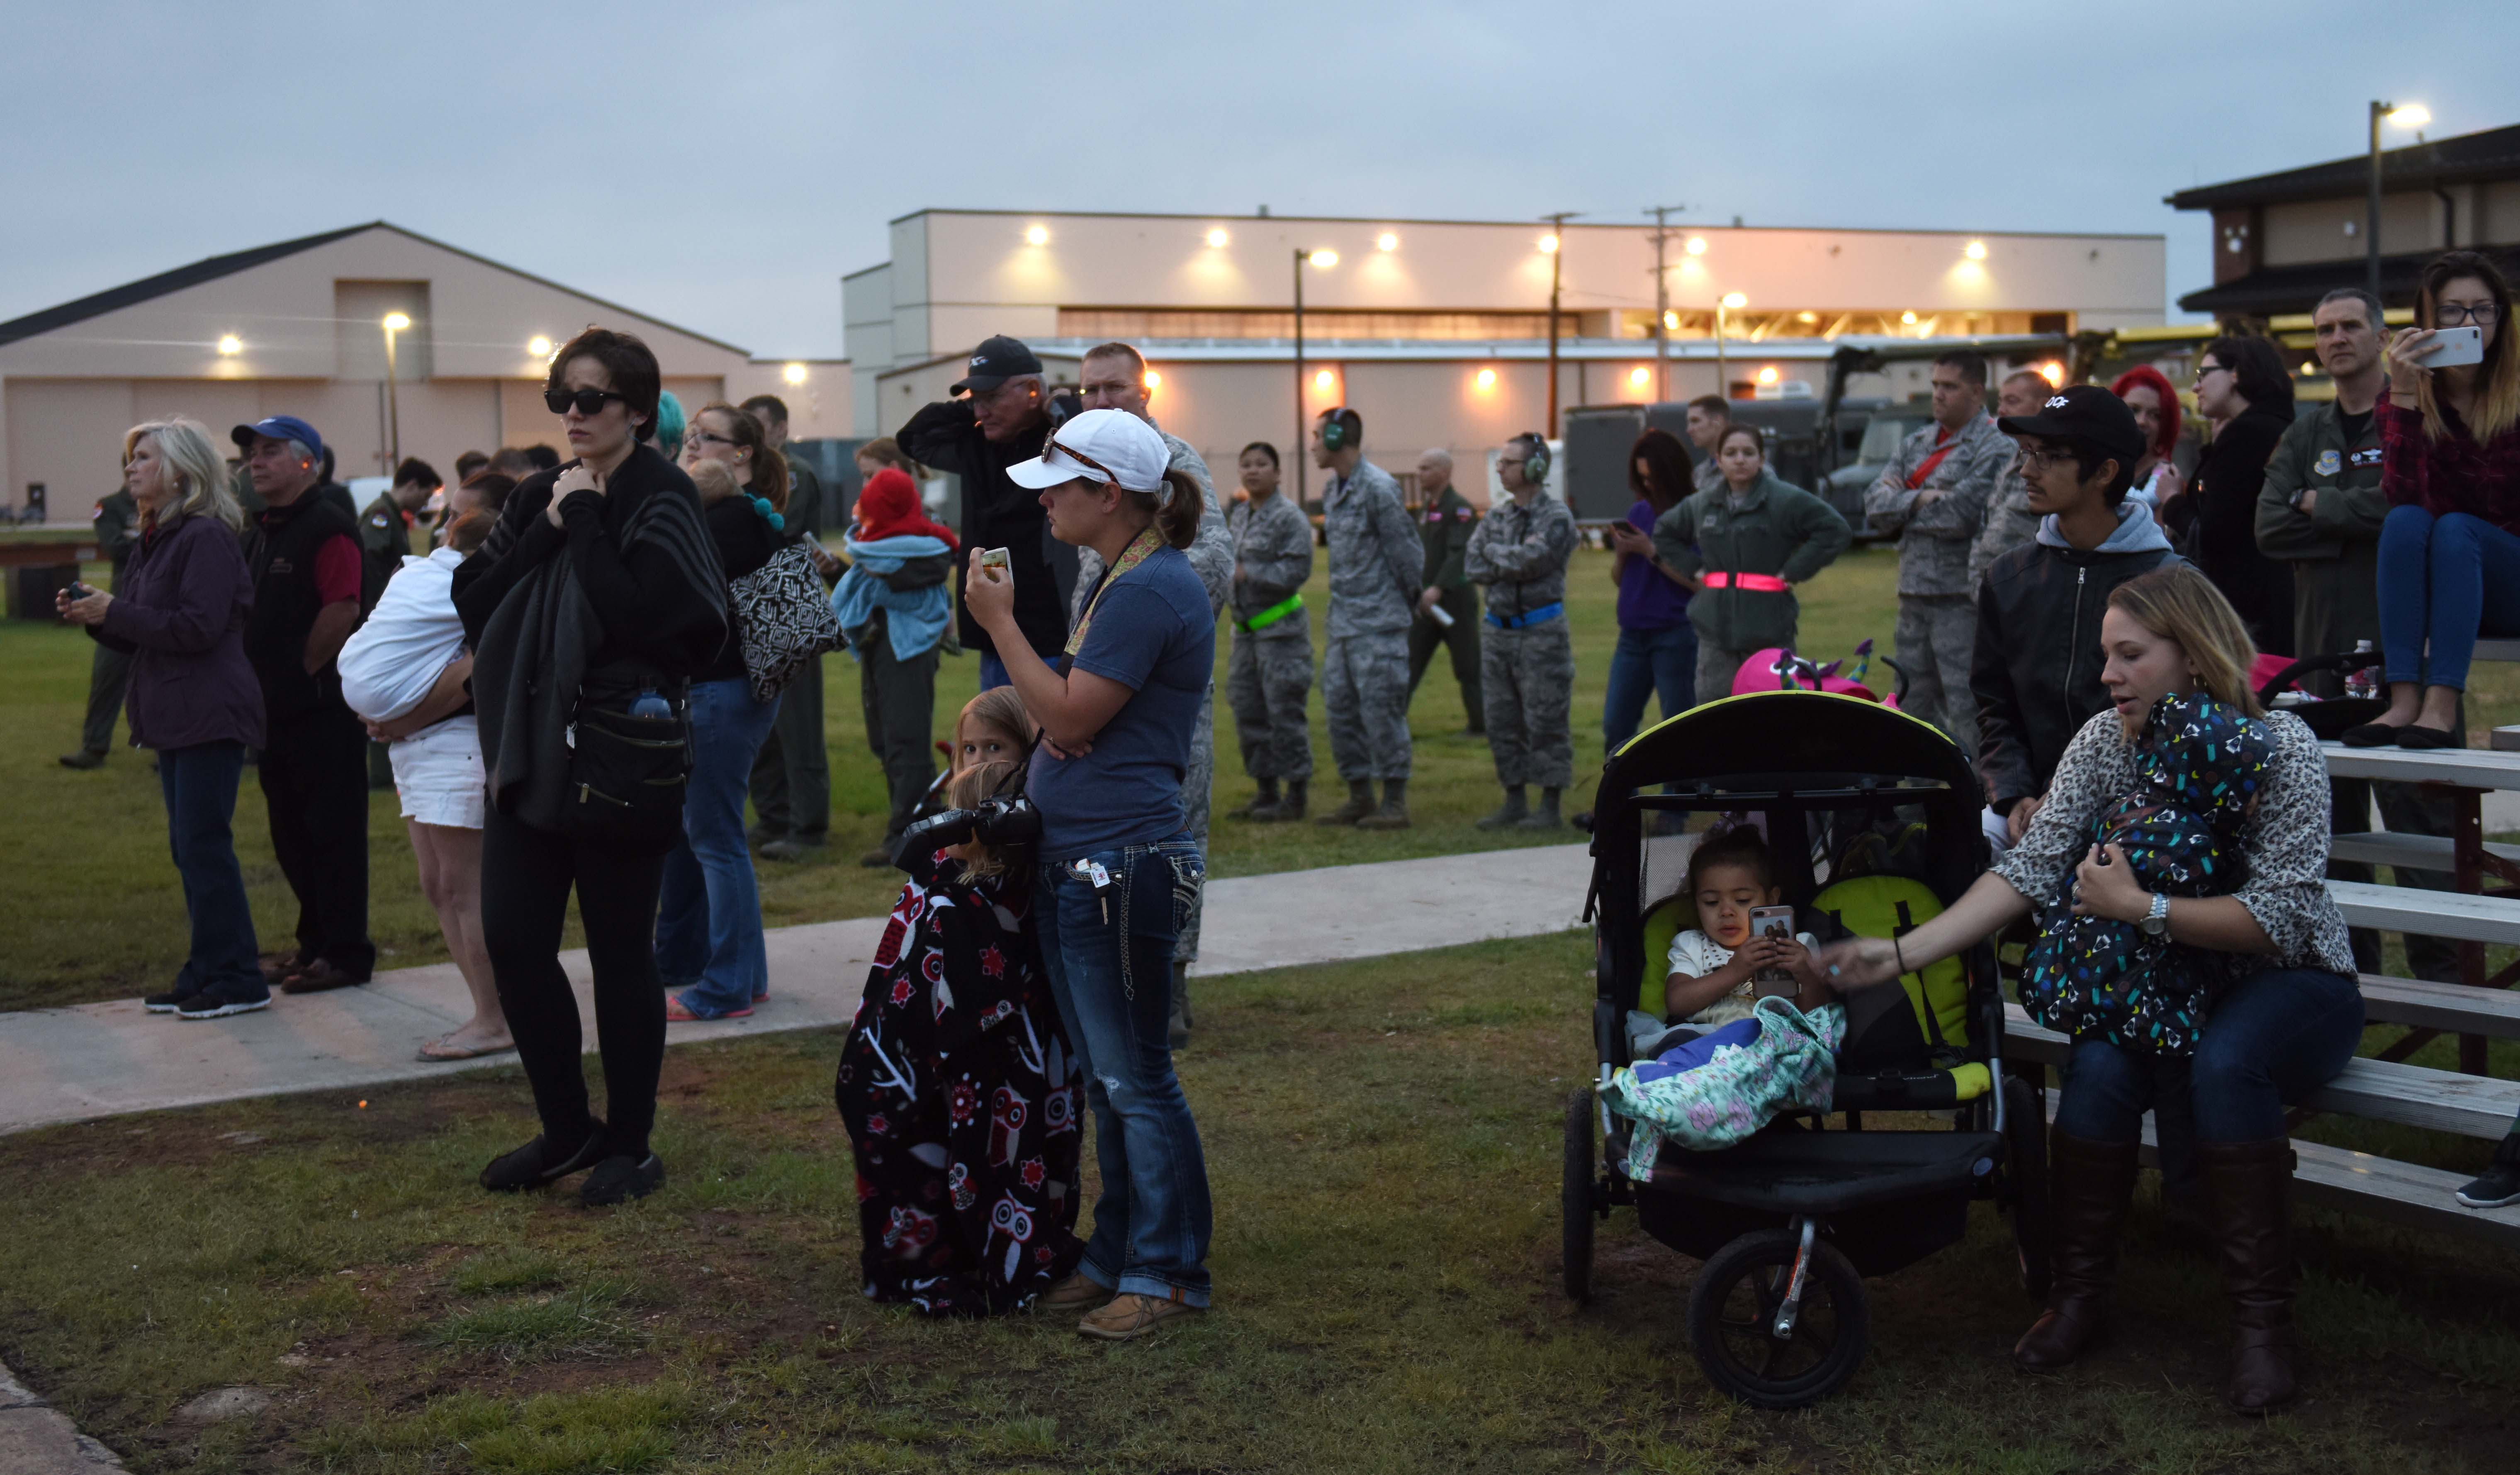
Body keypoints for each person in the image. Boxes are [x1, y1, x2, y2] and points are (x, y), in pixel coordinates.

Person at [1826, 565, 2360, 1413]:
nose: (2105, 674)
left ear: (2190, 655)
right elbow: (2030, 870)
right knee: (2102, 1066)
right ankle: (2077, 1297)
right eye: (2105, 655)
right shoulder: (2103, 741)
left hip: (2287, 980)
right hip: (2158, 980)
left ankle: (2262, 1326)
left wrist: (2140, 908)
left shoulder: (2278, 746)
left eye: (2128, 655)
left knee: (2226, 1060)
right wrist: (1897, 954)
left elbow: (2280, 919)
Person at [453, 327, 730, 1207]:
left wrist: (582, 520)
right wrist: (547, 522)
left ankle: (633, 1141)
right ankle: (568, 1126)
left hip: (623, 754)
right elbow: (472, 598)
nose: (572, 413)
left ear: (638, 410)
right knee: (515, 939)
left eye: (591, 398)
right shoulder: (540, 490)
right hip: (531, 750)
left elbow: (652, 620)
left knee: (620, 953)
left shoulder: (662, 494)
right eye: (560, 398)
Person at [963, 407, 1214, 1340]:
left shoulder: (1148, 589)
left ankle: (1169, 1269)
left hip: (1126, 862)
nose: (1047, 504)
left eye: (1058, 487)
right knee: (1112, 1080)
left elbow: (1068, 718)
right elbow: (1067, 707)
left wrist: (997, 622)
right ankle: (1119, 1254)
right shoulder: (1121, 576)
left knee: (1137, 1077)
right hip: (1094, 858)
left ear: (1106, 492)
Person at [834, 689, 1084, 1316]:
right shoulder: (941, 874)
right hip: (909, 1059)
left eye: (995, 748)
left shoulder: (1035, 874)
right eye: (967, 749)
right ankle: (938, 1254)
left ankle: (993, 1251)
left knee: (991, 1136)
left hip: (994, 1057)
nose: (976, 765)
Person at [2258, 288, 2461, 985]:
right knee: (2335, 832)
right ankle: (2350, 978)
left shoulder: (2415, 416)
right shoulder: (2303, 434)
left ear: (2380, 337)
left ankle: (2447, 975)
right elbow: (2269, 526)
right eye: (2324, 329)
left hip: (2407, 655)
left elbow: (2423, 507)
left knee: (2422, 827)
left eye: (2350, 326)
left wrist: (2326, 510)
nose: (2337, 337)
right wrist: (2363, 517)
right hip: (2325, 658)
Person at [58, 419, 268, 1019]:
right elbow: (150, 632)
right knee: (190, 848)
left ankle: (237, 979)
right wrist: (99, 617)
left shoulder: (203, 536)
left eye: (144, 457)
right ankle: (205, 970)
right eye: (131, 457)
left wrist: (116, 609)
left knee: (204, 846)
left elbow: (197, 628)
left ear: (181, 469)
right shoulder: (159, 537)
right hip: (177, 710)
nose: (130, 468)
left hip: (208, 709)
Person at [1069, 342, 1233, 1044]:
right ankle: (1115, 975)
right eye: (1089, 391)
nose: (1102, 402)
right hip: (1100, 685)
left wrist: (1132, 634)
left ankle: (1169, 982)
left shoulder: (1171, 465)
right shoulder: (1086, 470)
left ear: (1145, 394)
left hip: (1163, 694)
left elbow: (1213, 568)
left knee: (1172, 836)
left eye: (1115, 389)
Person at [338, 479, 513, 1061]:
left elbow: (480, 664)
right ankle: (484, 1011)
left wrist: (403, 718)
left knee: (467, 891)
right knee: (438, 886)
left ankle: (497, 1019)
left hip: (454, 746)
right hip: (417, 748)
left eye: (458, 515)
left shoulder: (489, 585)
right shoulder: (439, 579)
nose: (447, 524)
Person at [1974, 386, 2184, 855]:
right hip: (2020, 803)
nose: (2027, 469)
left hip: (2138, 801)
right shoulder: (2008, 577)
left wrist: (2067, 792)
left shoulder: (2171, 581)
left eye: (2048, 456)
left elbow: (2180, 717)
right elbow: (1994, 706)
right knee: (1954, 855)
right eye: (2028, 452)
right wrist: (2014, 793)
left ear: (2105, 472)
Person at [2352, 250, 2520, 750]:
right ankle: (2403, 699)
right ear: (2426, 324)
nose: (2469, 323)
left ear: (2500, 318)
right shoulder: (2400, 398)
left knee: (2455, 528)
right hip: (2448, 584)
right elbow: (2403, 497)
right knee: (2406, 519)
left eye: (2482, 309)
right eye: (2452, 311)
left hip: (2510, 575)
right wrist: (2404, 397)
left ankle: (2441, 707)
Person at [656, 406, 791, 1022]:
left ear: (741, 454)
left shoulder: (730, 519)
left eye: (705, 438)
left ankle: (727, 986)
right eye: (688, 438)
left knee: (716, 842)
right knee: (712, 838)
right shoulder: (738, 515)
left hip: (720, 692)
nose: (690, 448)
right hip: (728, 692)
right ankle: (744, 976)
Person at [233, 414, 374, 994]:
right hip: (272, 714)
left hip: (319, 713)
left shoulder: (328, 526)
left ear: (306, 462)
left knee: (332, 835)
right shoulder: (262, 529)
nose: (255, 463)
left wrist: (301, 673)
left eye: (270, 452)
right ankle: (313, 944)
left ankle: (346, 953)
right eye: (251, 454)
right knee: (290, 833)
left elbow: (341, 608)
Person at [1862, 350, 2009, 755]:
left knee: (1965, 708)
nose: (1939, 395)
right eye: (1935, 386)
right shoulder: (1916, 443)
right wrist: (1923, 498)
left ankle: (1973, 805)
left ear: (1977, 392)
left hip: (1959, 599)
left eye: (1950, 386)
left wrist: (1902, 503)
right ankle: (1914, 806)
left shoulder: (1995, 445)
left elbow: (1961, 515)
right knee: (1909, 705)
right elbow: (1873, 506)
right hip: (1912, 594)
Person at [898, 335, 1065, 690]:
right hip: (991, 631)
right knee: (998, 741)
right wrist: (975, 407)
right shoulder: (976, 441)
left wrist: (1059, 409)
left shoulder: (1063, 442)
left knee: (1042, 742)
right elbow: (913, 439)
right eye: (976, 400)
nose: (981, 412)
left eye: (992, 398)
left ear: (1033, 390)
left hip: (1050, 632)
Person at [1651, 424, 1851, 703]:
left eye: (1749, 452)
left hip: (1769, 632)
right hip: (1715, 634)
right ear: (1719, 460)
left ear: (1762, 459)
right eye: (1731, 453)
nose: (1740, 460)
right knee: (1715, 716)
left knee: (1771, 715)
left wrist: (1795, 570)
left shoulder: (1785, 500)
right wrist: (1694, 568)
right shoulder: (1702, 504)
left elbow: (1835, 529)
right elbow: (1664, 533)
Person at [830, 466, 958, 865]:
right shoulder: (883, 546)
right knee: (884, 739)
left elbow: (931, 567)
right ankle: (910, 827)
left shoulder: (927, 545)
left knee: (906, 739)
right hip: (882, 645)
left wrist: (879, 568)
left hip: (908, 647)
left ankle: (908, 837)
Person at [1311, 406, 1422, 830]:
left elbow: (1406, 552)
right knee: (1340, 710)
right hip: (1344, 622)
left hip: (1379, 623)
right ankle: (1359, 795)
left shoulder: (1378, 487)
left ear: (1339, 438)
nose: (1314, 444)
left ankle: (1394, 801)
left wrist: (1408, 599)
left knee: (1381, 711)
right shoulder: (1333, 489)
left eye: (1319, 436)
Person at [1464, 432, 1579, 830]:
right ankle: (1514, 799)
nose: (1501, 468)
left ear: (1535, 469)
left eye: (1509, 463)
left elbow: (1534, 559)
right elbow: (1473, 565)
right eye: (1500, 462)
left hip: (1541, 631)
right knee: (1501, 719)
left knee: (1546, 717)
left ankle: (1549, 806)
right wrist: (1507, 559)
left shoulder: (1557, 517)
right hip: (1497, 632)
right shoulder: (1496, 516)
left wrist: (1499, 557)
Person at [1633, 825, 1827, 1057]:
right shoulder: (1692, 945)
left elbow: (1815, 1020)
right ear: (1695, 903)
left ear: (1772, 899)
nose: (1726, 912)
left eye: (1742, 900)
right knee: (1678, 1042)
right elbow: (1677, 1002)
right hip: (1708, 1046)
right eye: (1712, 902)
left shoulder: (1797, 946)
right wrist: (1735, 971)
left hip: (1772, 1046)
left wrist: (1807, 976)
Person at [742, 393, 833, 862]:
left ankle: (809, 826)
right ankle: (774, 816)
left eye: (759, 429)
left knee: (799, 727)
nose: (753, 439)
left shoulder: (791, 472)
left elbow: (776, 532)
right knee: (763, 726)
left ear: (779, 429)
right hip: (755, 610)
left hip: (789, 609)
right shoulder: (751, 474)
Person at [2183, 336, 2297, 657]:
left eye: (2203, 374)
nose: (2196, 387)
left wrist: (2173, 503)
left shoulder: (2247, 435)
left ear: (2236, 373)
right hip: (2274, 601)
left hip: (2244, 612)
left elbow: (2216, 530)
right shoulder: (2277, 426)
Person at [1225, 441, 1316, 822]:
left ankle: (1295, 796)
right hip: (1245, 633)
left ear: (1278, 473)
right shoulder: (1240, 515)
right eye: (1246, 464)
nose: (1253, 471)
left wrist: (1251, 573)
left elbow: (1298, 571)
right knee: (1249, 710)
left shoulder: (1290, 517)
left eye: (1262, 464)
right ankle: (1265, 792)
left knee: (1284, 712)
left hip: (1281, 632)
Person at [1601, 430, 1698, 769]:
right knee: (1616, 724)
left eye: (1653, 477)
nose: (1648, 484)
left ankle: (1676, 810)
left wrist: (1651, 552)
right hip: (1632, 634)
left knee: (1678, 724)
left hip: (1675, 632)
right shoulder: (1639, 511)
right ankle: (1620, 805)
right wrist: (1624, 555)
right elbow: (1620, 579)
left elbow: (1699, 582)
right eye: (1641, 477)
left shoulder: (1692, 514)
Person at [358, 457, 445, 790]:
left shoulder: (393, 517)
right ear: (411, 486)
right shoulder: (381, 518)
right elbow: (371, 565)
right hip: (379, 614)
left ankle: (385, 771)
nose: (424, 505)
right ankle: (381, 774)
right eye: (423, 496)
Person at [58, 482, 141, 769]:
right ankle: (94, 748)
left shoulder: (172, 505)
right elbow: (118, 549)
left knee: (171, 679)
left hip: (160, 606)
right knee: (107, 676)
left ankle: (170, 750)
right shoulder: (109, 507)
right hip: (120, 604)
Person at [1404, 449, 1483, 733]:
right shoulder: (1428, 509)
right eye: (1420, 468)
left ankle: (1479, 724)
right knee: (1410, 662)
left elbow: (1459, 552)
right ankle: (1391, 723)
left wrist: (1438, 587)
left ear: (1444, 473)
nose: (1419, 473)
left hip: (1454, 600)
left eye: (1426, 468)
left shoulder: (1459, 509)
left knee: (1468, 666)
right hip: (1425, 602)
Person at [1969, 370, 2059, 587]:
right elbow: (1986, 527)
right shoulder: (2013, 460)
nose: (2001, 410)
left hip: (2028, 592)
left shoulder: (2053, 464)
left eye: (2012, 401)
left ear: (2043, 405)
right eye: (2000, 401)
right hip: (1990, 591)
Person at [2111, 367, 2188, 515]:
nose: (2142, 422)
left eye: (2155, 415)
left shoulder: (2166, 477)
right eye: (2134, 410)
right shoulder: (2098, 464)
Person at [1682, 396, 1730, 494]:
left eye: (1695, 421)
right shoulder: (1700, 473)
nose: (1689, 430)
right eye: (1689, 423)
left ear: (1718, 421)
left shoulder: (1745, 468)